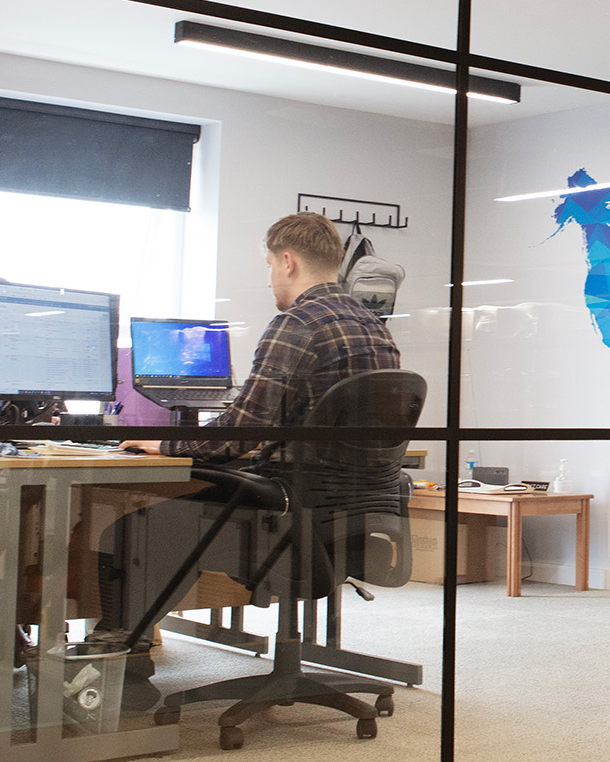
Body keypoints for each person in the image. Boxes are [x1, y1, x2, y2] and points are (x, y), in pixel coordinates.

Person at [93, 212, 401, 708]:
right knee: (173, 524)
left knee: (129, 534)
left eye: (270, 266)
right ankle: (123, 658)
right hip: (351, 516)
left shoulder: (297, 323)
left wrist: (161, 445)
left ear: (288, 261)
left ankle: (120, 671)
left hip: (287, 518)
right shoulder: (376, 329)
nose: (272, 279)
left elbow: (240, 433)